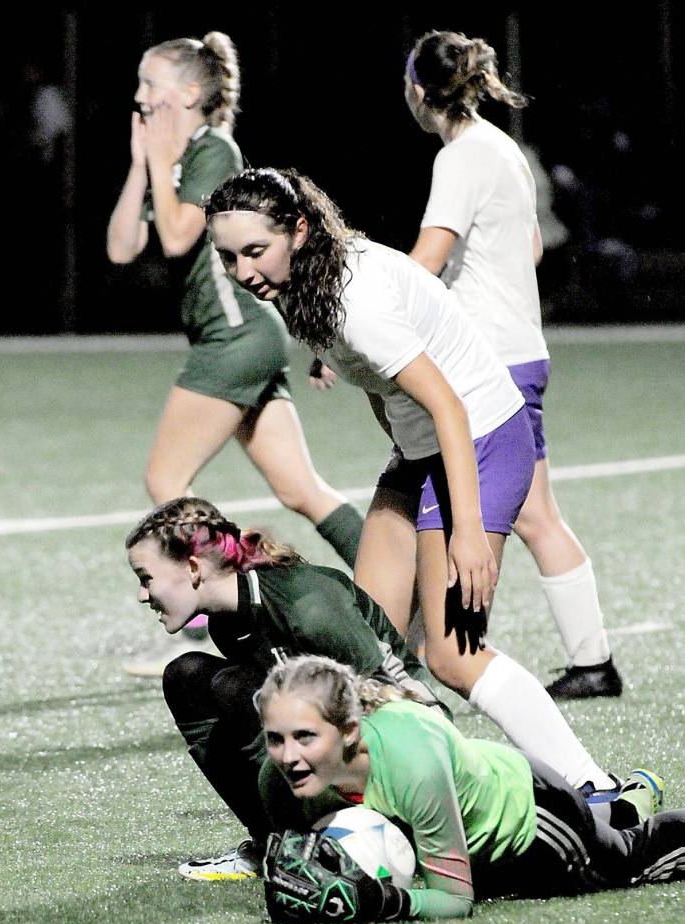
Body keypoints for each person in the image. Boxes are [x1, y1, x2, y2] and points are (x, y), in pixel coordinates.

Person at [202, 168, 627, 801]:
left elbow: (450, 406)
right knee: (363, 647)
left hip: (478, 441)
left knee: (453, 656)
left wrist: (468, 533)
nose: (242, 271)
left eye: (255, 252)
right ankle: (390, 799)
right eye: (228, 257)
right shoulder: (304, 283)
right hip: (423, 452)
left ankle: (595, 787)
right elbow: (385, 391)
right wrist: (403, 462)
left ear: (299, 229)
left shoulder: (354, 302)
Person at [125, 498, 660, 880]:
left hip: (409, 743)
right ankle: (275, 845)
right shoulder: (227, 622)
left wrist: (429, 793)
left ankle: (624, 803)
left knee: (582, 846)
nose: (144, 594)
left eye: (146, 577)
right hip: (346, 754)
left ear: (193, 567)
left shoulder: (309, 606)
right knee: (192, 677)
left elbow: (404, 696)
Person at [106, 33, 363, 674]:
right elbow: (119, 247)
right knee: (300, 488)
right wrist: (145, 162)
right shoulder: (177, 158)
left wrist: (166, 162)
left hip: (233, 337)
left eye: (150, 85)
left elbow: (172, 238)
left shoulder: (213, 150)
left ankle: (216, 619)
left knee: (165, 484)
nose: (139, 98)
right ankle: (393, 588)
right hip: (244, 339)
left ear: (190, 94)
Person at [404, 30, 622, 700]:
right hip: (520, 348)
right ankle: (593, 663)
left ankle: (456, 661)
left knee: (463, 511)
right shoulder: (505, 149)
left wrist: (369, 314)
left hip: (490, 363)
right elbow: (526, 249)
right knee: (536, 515)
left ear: (417, 90)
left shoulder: (461, 158)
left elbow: (428, 258)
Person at [258, 655, 685, 924]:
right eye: (275, 739)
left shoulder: (413, 764)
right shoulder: (277, 780)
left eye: (305, 737)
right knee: (612, 832)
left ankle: (628, 820)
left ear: (349, 731)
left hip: (530, 819)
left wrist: (381, 901)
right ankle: (629, 801)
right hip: (467, 814)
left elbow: (455, 900)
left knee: (629, 861)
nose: (288, 756)